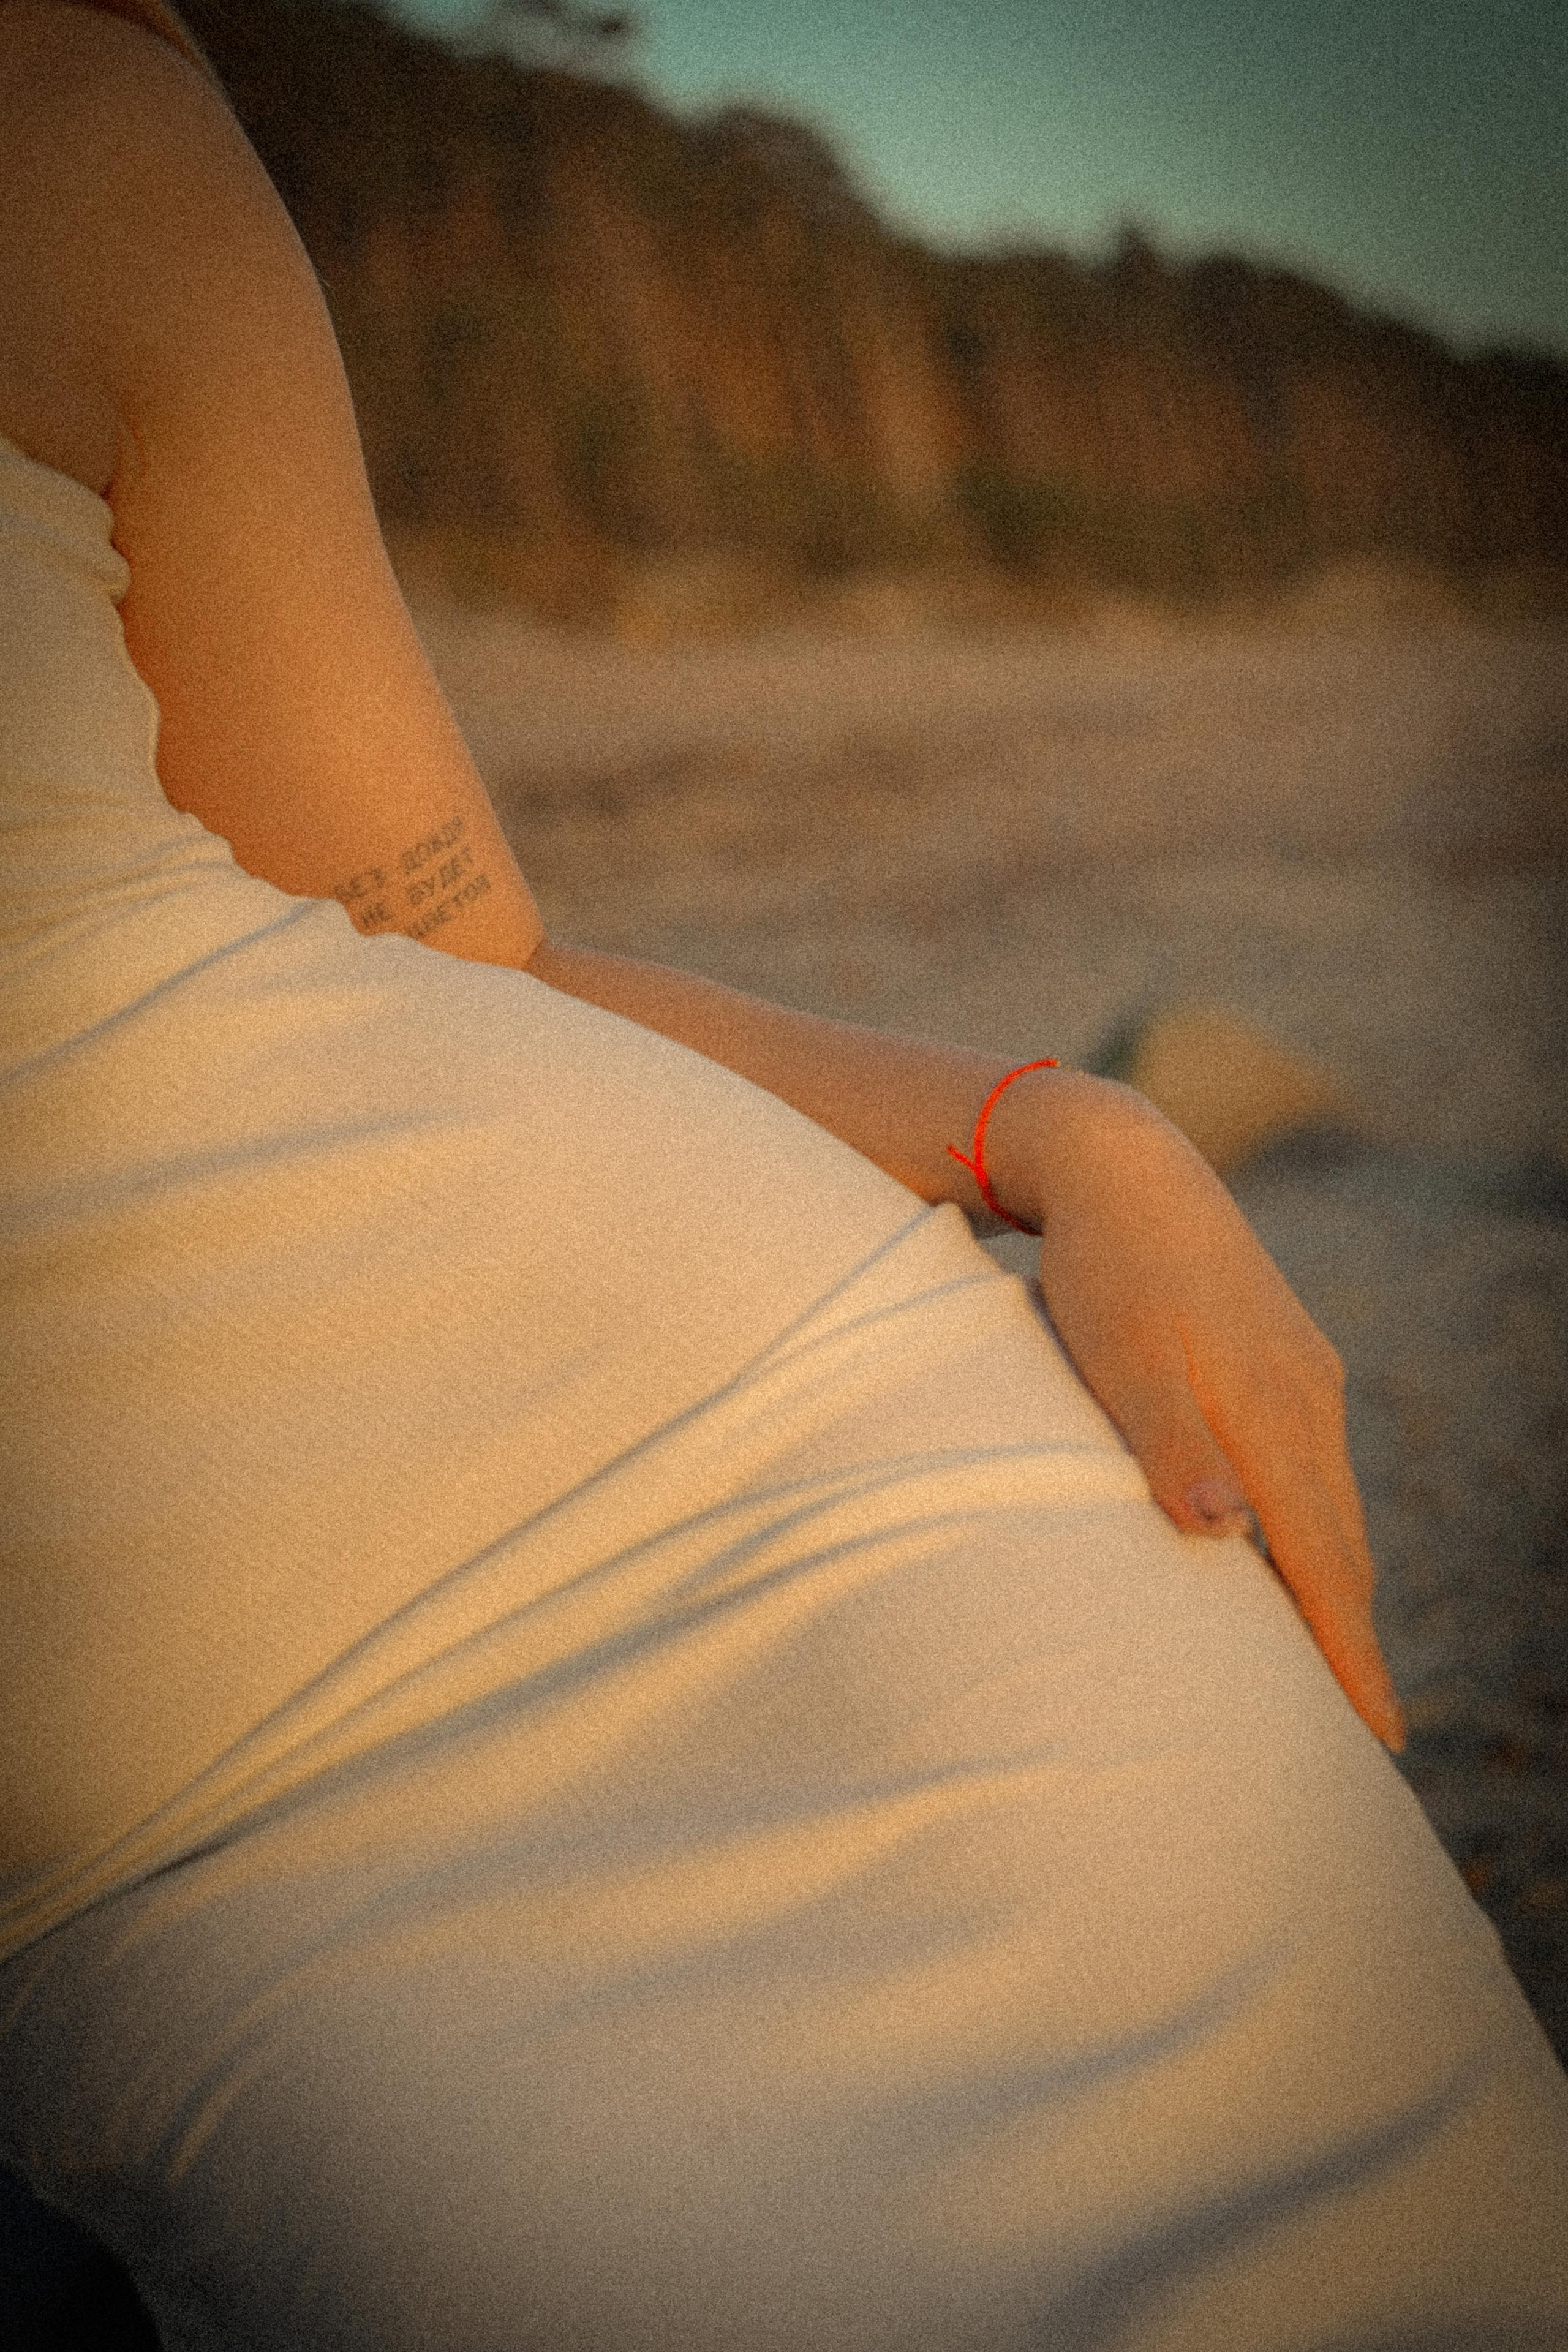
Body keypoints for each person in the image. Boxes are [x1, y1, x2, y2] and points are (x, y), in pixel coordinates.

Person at [1, 2, 1565, 2345]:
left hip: (809, 1469)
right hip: (224, 1823)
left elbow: (450, 960)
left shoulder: (60, 119)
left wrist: (1061, 1126)